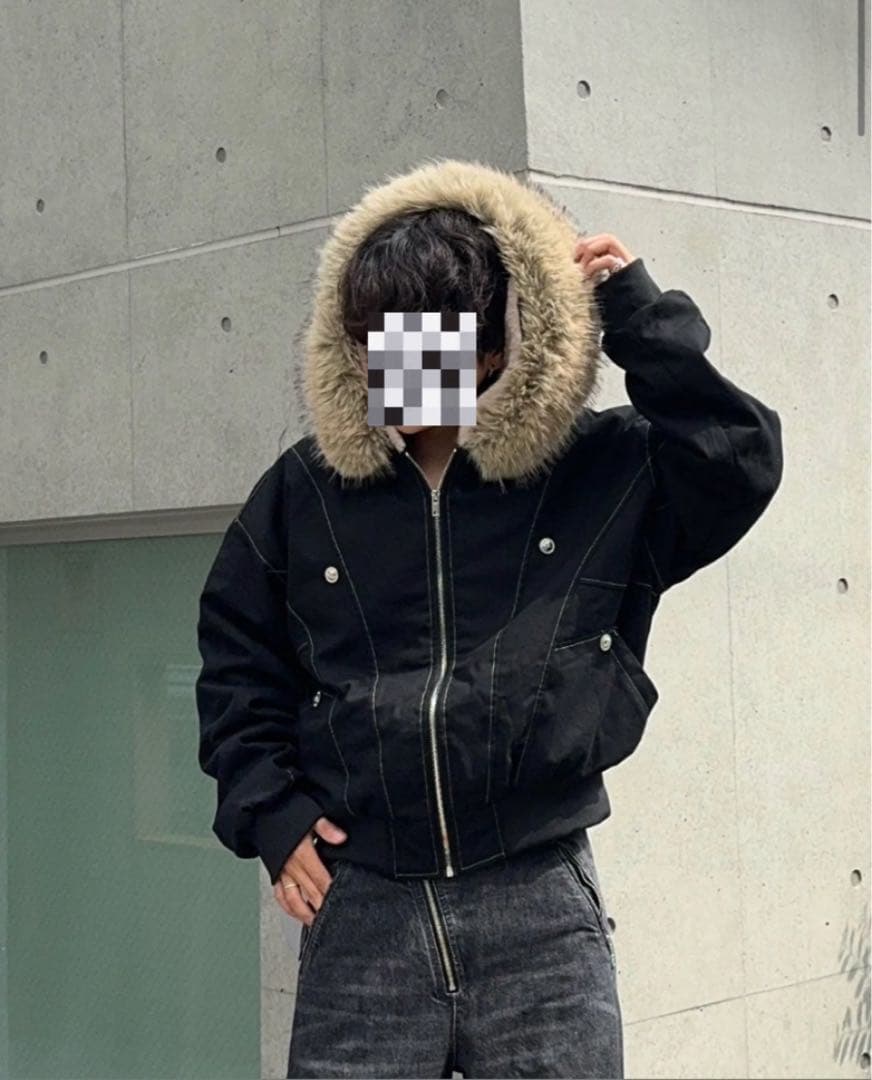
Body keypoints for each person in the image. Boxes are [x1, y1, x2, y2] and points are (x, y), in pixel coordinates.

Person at [195, 158, 783, 1079]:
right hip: (364, 908)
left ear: (494, 346)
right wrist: (271, 811)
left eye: (422, 343)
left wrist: (639, 317)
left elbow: (738, 463)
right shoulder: (305, 491)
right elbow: (239, 659)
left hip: (537, 906)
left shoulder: (596, 472)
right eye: (373, 341)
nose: (392, 368)